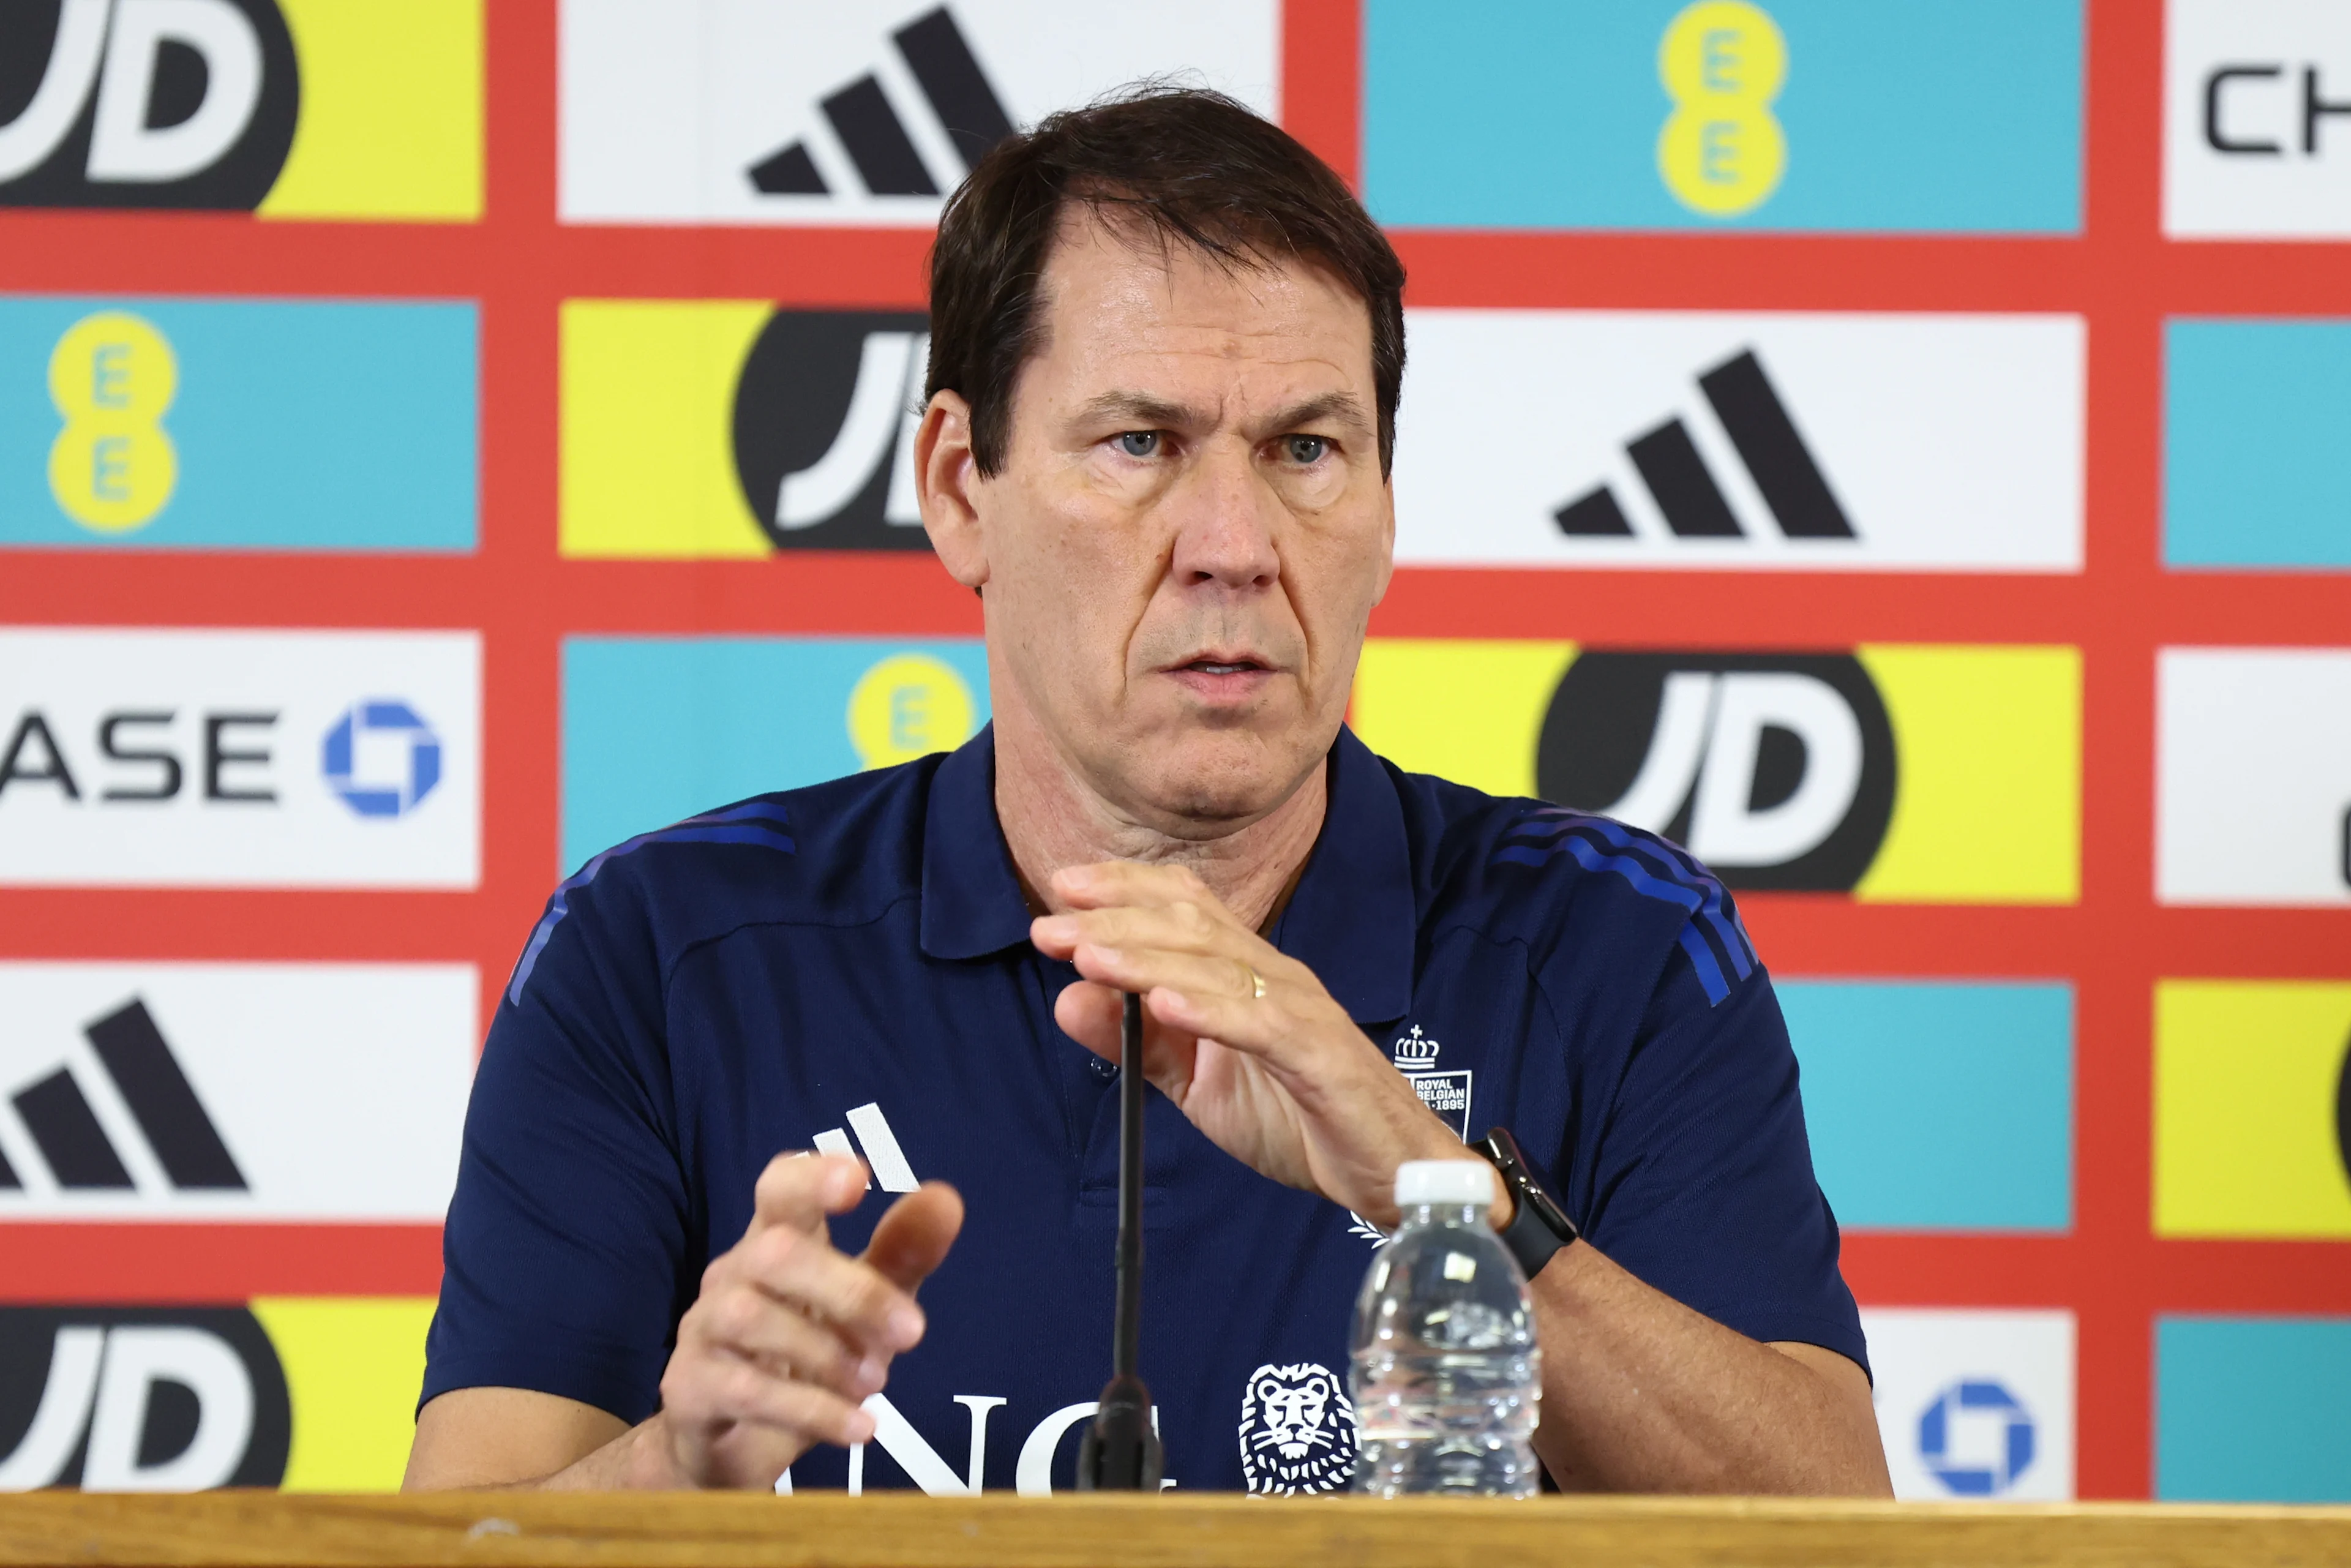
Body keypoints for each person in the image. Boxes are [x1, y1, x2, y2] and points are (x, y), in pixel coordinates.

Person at [403, 86, 1891, 1498]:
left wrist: (1438, 1192)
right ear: (959, 486)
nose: (1234, 542)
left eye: (1306, 449)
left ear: (1384, 507)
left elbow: (1837, 1531)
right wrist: (677, 1472)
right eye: (1140, 444)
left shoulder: (1613, 942)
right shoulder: (662, 949)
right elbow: (457, 1536)